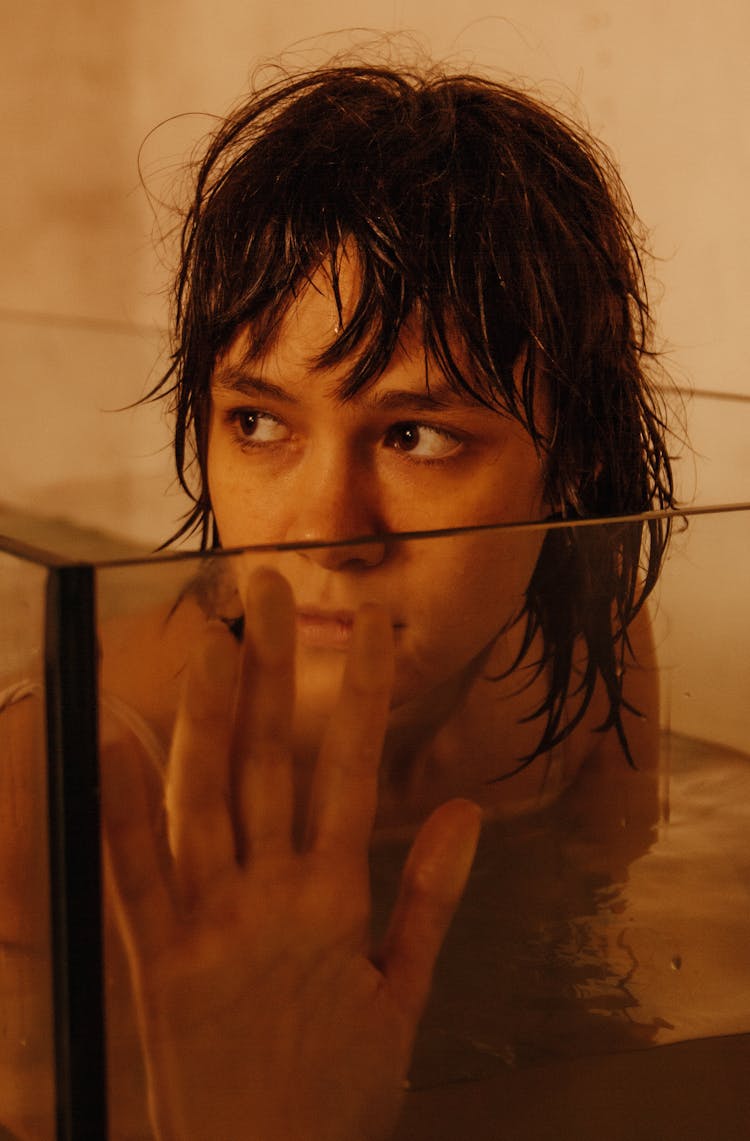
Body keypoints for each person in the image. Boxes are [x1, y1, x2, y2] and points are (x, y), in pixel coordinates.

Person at [1, 59, 675, 1141]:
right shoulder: (54, 788)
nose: (325, 532)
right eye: (259, 422)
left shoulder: (585, 659)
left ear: (575, 473)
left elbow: (594, 986)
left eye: (417, 435)